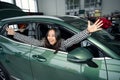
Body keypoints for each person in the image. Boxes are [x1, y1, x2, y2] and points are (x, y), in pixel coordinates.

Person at [6, 19, 103, 53]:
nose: (50, 38)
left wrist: (87, 31)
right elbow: (30, 40)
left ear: (57, 36)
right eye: (48, 35)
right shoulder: (43, 42)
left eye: (53, 35)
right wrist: (14, 33)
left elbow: (73, 40)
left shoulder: (62, 44)